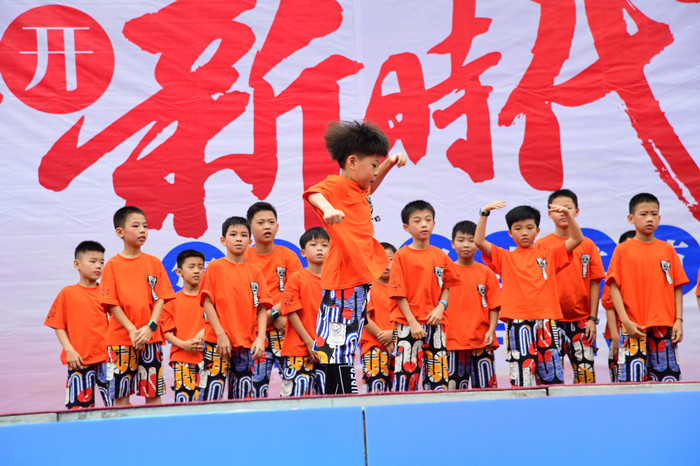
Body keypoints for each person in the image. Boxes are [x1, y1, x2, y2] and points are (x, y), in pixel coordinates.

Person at [303, 120, 406, 394]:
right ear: (352, 162)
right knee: (336, 344)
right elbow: (314, 193)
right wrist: (327, 210)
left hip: (356, 281)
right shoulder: (337, 185)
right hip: (343, 283)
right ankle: (338, 395)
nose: (375, 172)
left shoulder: (358, 189)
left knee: (345, 342)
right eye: (373, 165)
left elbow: (371, 187)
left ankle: (341, 394)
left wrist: (389, 163)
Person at [474, 201, 583, 386]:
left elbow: (577, 239)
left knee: (551, 375)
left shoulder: (550, 254)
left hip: (546, 321)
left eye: (529, 228)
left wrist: (568, 215)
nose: (524, 232)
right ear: (510, 233)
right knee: (521, 375)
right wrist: (484, 212)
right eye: (518, 229)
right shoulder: (505, 257)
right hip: (518, 322)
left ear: (538, 230)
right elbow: (479, 241)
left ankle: (551, 404)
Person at [607, 193, 688, 382]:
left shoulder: (667, 249)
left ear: (659, 218)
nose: (649, 219)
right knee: (632, 382)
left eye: (654, 214)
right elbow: (613, 287)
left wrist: (678, 320)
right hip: (633, 325)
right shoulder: (622, 250)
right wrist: (625, 321)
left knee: (667, 379)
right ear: (631, 218)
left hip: (664, 325)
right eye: (643, 214)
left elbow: (677, 286)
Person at [101, 206, 175, 406]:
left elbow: (161, 298)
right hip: (121, 340)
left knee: (153, 394)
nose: (143, 230)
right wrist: (132, 330)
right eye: (136, 226)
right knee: (120, 396)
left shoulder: (153, 263)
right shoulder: (113, 265)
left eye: (145, 226)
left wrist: (150, 326)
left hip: (151, 338)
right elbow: (111, 303)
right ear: (120, 232)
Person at [389, 200, 461, 391]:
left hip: (436, 323)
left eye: (428, 220)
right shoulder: (401, 256)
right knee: (405, 378)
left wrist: (441, 306)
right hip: (407, 325)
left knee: (438, 378)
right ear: (406, 227)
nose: (424, 225)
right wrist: (412, 322)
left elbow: (447, 285)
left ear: (434, 224)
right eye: (417, 221)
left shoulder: (441, 255)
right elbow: (398, 293)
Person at [199, 216, 273, 400]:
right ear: (223, 240)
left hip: (246, 344)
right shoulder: (215, 267)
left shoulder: (255, 271)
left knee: (242, 397)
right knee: (211, 393)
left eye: (244, 235)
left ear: (250, 241)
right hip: (217, 342)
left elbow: (262, 307)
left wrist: (260, 338)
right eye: (233, 234)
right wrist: (220, 334)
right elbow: (207, 302)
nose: (239, 239)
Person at [536, 189, 605, 384]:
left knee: (585, 378)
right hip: (551, 321)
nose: (563, 213)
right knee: (550, 380)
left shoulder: (588, 245)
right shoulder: (541, 245)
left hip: (582, 321)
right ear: (549, 213)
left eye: (567, 208)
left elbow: (594, 282)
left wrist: (592, 319)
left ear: (577, 211)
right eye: (557, 209)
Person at [44, 241, 113, 409]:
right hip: (79, 360)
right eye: (93, 261)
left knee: (117, 406)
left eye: (102, 262)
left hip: (108, 359)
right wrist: (69, 350)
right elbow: (58, 325)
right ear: (77, 264)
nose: (98, 266)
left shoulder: (107, 293)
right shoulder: (68, 293)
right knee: (79, 411)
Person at [244, 202, 303, 398]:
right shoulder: (243, 258)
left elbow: (297, 292)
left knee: (292, 388)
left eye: (271, 222)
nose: (267, 226)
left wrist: (273, 313)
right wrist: (266, 318)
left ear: (277, 227)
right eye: (260, 222)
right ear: (250, 228)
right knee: (254, 390)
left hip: (284, 330)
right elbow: (239, 298)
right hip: (253, 335)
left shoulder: (288, 256)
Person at [446, 221, 501, 390]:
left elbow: (494, 306)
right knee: (453, 393)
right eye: (461, 240)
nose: (466, 245)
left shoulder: (486, 273)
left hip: (481, 341)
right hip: (451, 341)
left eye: (471, 240)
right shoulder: (446, 272)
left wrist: (491, 330)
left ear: (478, 243)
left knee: (486, 392)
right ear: (452, 243)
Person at [279, 227, 329, 397]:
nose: (320, 248)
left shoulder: (335, 281)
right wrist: (309, 342)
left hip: (327, 350)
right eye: (313, 245)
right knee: (295, 399)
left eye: (324, 245)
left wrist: (325, 345)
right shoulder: (296, 278)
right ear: (303, 252)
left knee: (328, 400)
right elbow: (291, 312)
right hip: (299, 349)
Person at [161, 249, 205, 403]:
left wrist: (205, 331)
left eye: (200, 267)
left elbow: (221, 321)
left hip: (208, 357)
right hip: (182, 357)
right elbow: (165, 331)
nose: (197, 271)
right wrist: (183, 345)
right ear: (179, 271)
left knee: (208, 402)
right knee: (184, 401)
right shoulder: (172, 301)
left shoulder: (210, 298)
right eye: (191, 267)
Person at [360, 242, 396, 393]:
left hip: (399, 347)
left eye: (390, 259)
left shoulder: (401, 288)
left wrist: (392, 336)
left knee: (400, 391)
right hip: (374, 348)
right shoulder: (368, 288)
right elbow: (365, 319)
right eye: (380, 260)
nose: (386, 264)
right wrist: (385, 339)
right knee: (375, 392)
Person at [601, 230, 635, 382]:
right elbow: (609, 306)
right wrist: (615, 337)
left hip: (642, 331)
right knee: (619, 378)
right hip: (619, 334)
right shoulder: (615, 273)